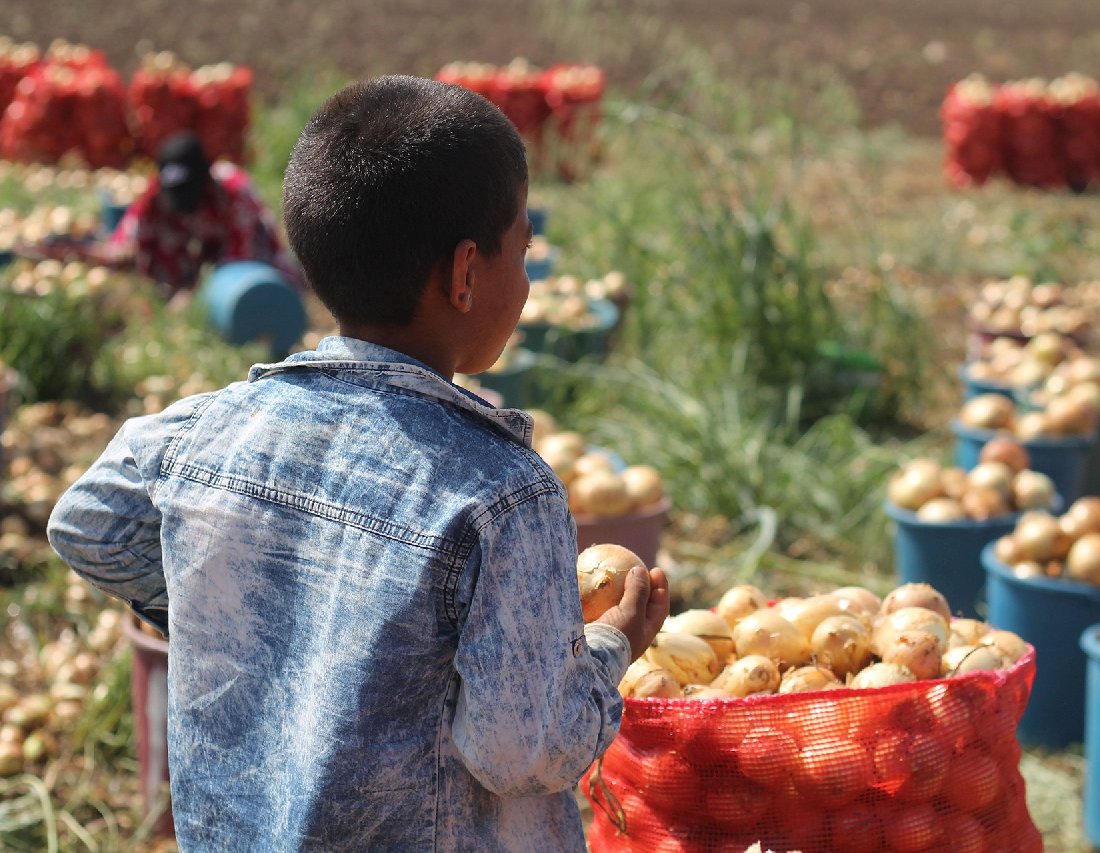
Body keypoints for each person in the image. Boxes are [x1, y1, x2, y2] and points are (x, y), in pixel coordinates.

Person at [46, 76, 669, 850]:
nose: (528, 275)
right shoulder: (501, 493)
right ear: (466, 272)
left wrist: (263, 612)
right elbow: (522, 750)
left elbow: (87, 521)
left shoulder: (206, 432)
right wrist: (610, 648)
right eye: (523, 249)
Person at [25, 132, 303, 298]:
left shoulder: (234, 194)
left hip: (242, 251)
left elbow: (240, 253)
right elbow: (132, 237)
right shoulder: (156, 193)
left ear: (205, 180)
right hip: (192, 250)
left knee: (270, 282)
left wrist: (197, 292)